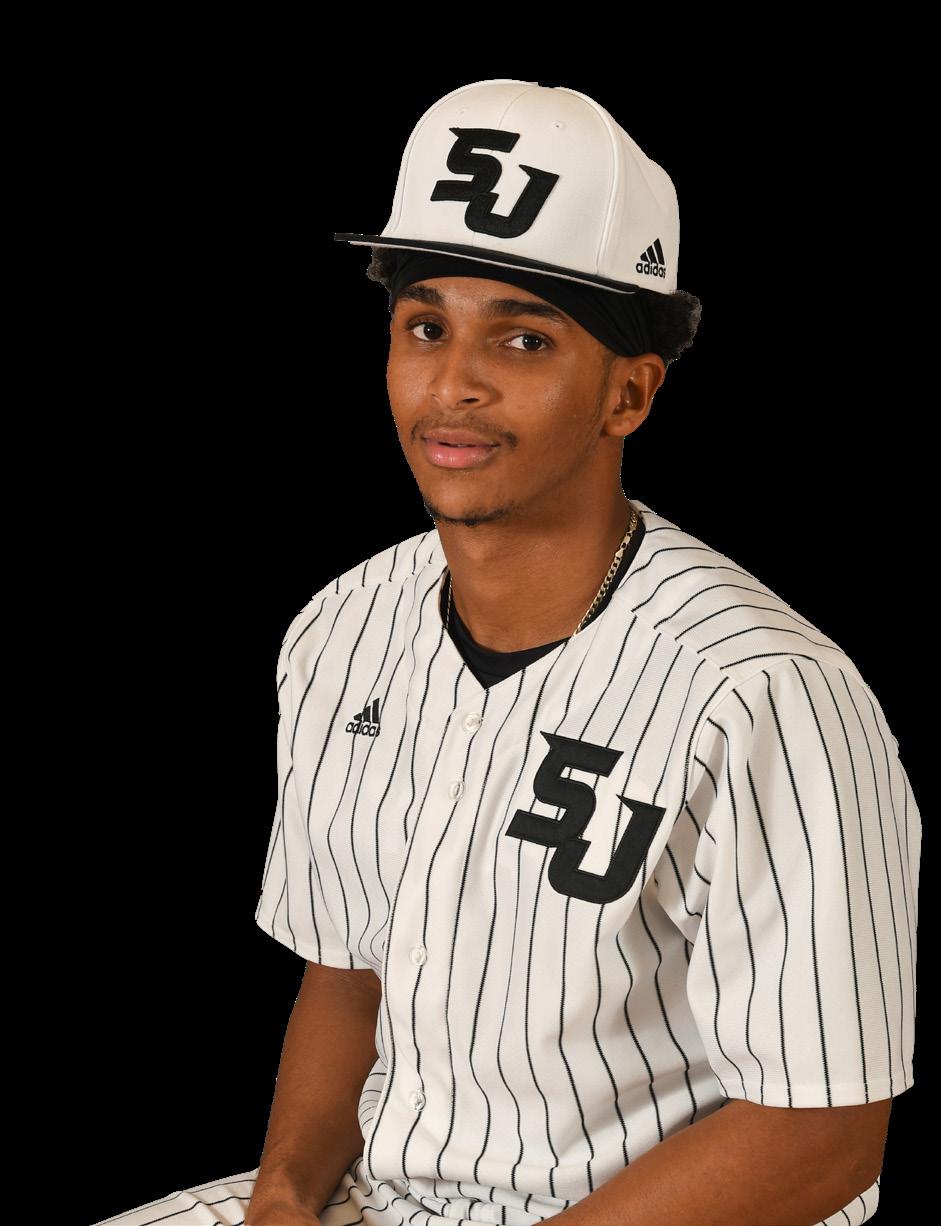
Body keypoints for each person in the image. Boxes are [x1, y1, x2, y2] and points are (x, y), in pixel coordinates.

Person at [96, 79, 920, 1226]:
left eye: (523, 338)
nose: (453, 384)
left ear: (628, 391)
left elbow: (820, 1133)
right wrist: (282, 1197)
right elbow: (349, 970)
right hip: (386, 1195)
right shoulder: (342, 627)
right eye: (425, 326)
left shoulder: (764, 692)